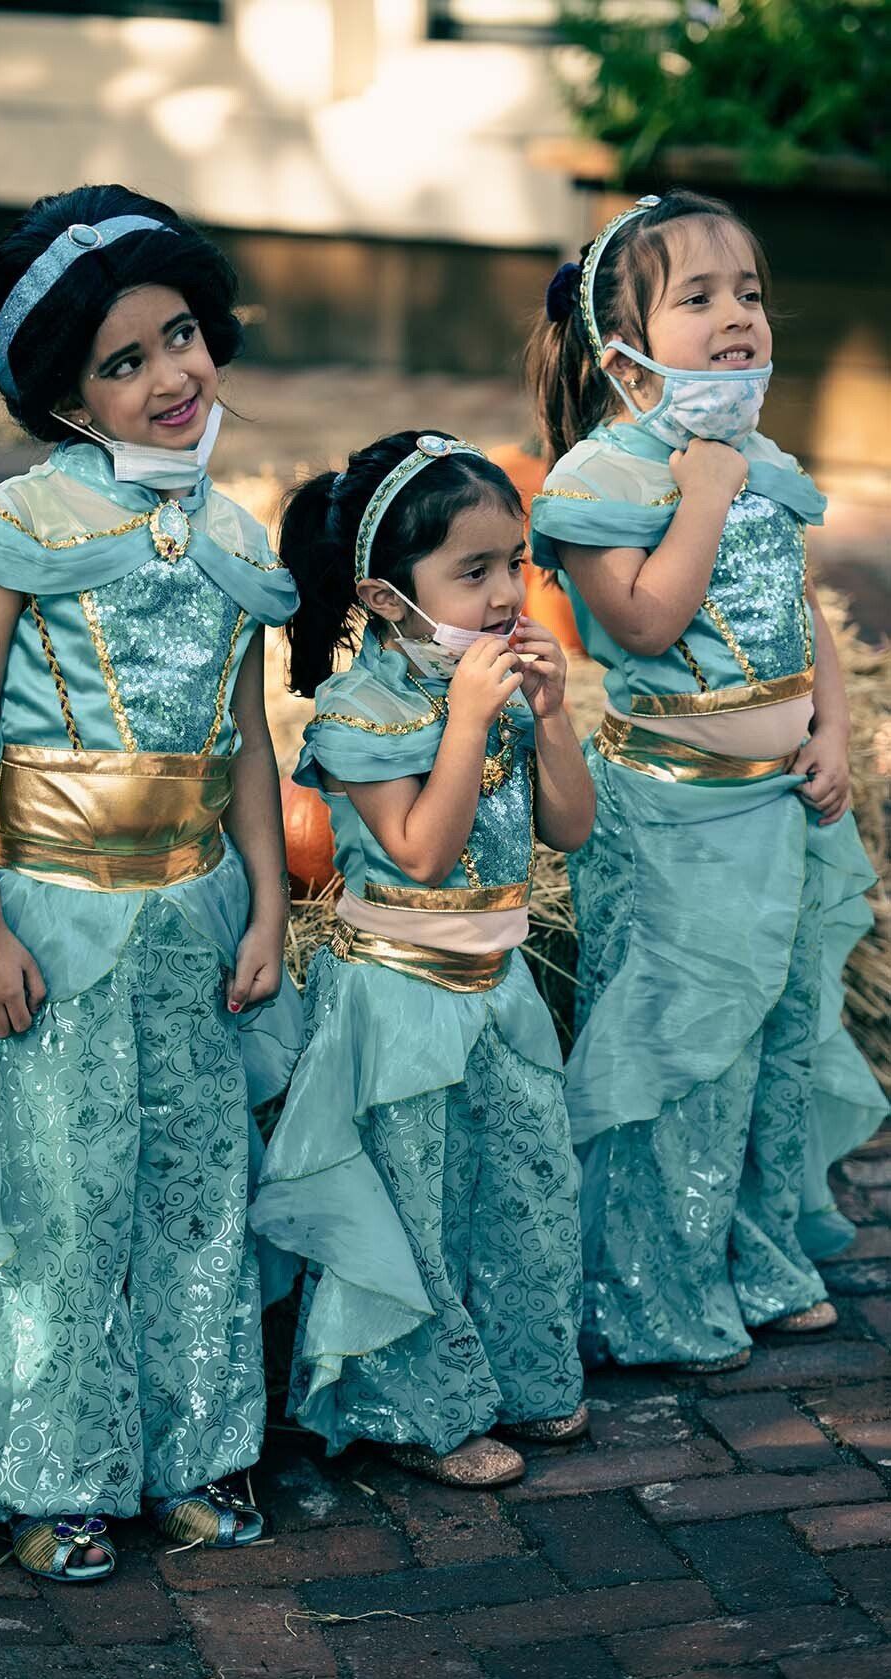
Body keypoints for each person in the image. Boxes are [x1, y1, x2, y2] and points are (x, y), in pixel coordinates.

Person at [0, 184, 304, 1574]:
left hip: (190, 915)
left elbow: (242, 744)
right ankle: (58, 1472)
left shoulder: (231, 538)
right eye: (123, 360)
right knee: (63, 1201)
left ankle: (198, 1449)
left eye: (181, 335)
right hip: (54, 917)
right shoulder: (14, 532)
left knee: (194, 1191)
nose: (171, 375)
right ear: (62, 392)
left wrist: (271, 904)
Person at [527, 189, 887, 1374]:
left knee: (781, 1034)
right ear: (619, 350)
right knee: (689, 1055)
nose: (737, 316)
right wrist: (697, 496)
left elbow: (796, 616)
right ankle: (653, 1284)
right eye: (698, 297)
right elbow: (639, 624)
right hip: (676, 819)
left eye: (750, 294)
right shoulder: (601, 478)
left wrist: (830, 732)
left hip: (780, 807)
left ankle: (759, 1249)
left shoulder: (756, 462)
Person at [250, 430, 592, 1486]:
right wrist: (469, 721)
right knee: (418, 1210)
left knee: (526, 1186)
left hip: (498, 988)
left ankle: (524, 1380)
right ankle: (420, 1414)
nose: (505, 593)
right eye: (473, 570)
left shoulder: (492, 684)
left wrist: (552, 713)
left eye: (516, 563)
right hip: (398, 1001)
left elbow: (568, 831)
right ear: (388, 597)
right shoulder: (361, 711)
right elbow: (421, 851)